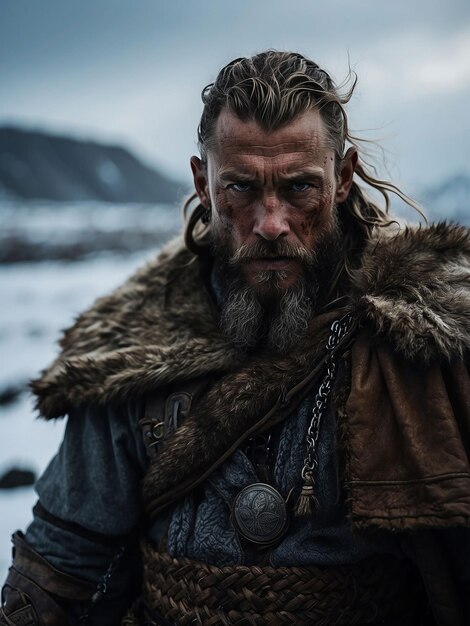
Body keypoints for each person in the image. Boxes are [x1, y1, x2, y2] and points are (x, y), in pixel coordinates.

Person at [1, 50, 469, 626]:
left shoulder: (422, 342)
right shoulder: (135, 350)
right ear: (204, 183)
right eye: (241, 189)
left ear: (341, 179)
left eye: (299, 188)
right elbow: (60, 564)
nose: (270, 223)